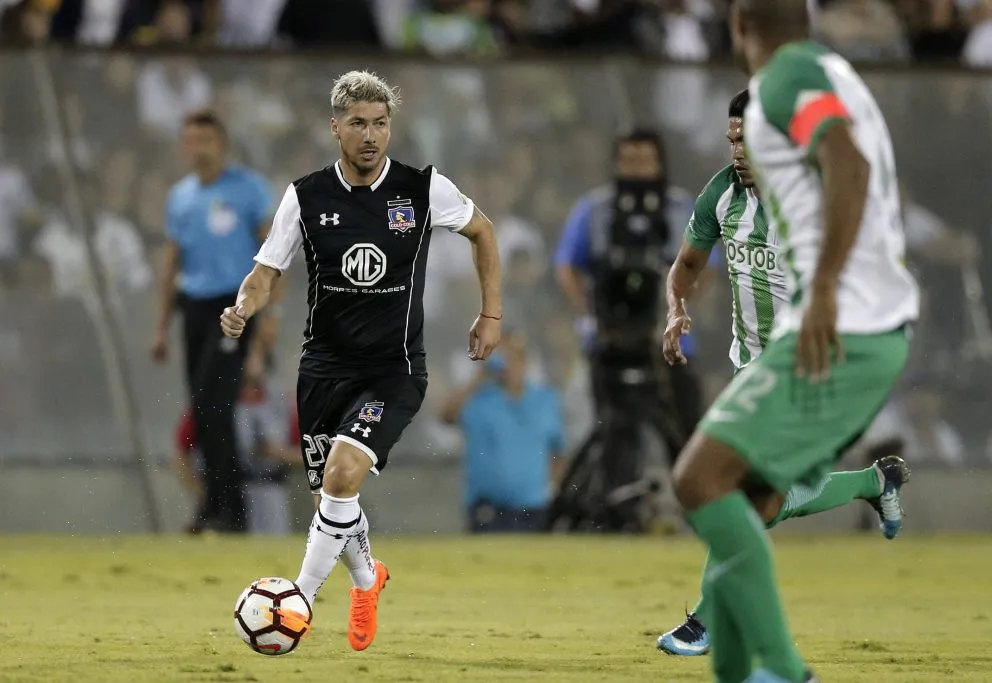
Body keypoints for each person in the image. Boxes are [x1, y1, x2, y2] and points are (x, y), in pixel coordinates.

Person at [668, 2, 920, 681]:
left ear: (738, 26)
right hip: (857, 327)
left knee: (701, 479)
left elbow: (847, 161)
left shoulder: (781, 83)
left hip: (844, 326)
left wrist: (829, 285)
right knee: (746, 500)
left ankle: (782, 669)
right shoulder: (829, 71)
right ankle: (729, 656)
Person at [220, 71, 502, 652]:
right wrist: (244, 307)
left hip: (393, 371)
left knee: (342, 475)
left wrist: (490, 314)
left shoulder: (423, 189)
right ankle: (368, 580)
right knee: (335, 491)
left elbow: (484, 232)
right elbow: (267, 271)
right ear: (335, 128)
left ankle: (297, 598)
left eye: (379, 123)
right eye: (358, 124)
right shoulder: (305, 195)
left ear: (390, 126)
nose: (371, 135)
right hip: (323, 370)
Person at [552, 129, 705, 531]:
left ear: (660, 163)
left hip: (671, 342)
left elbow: (707, 267)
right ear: (617, 163)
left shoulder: (682, 208)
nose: (636, 168)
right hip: (609, 342)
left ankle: (702, 513)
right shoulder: (595, 209)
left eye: (645, 159)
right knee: (613, 435)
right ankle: (617, 515)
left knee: (684, 431)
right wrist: (590, 313)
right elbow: (567, 264)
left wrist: (678, 311)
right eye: (629, 159)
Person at [152, 110, 276, 533]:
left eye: (204, 139)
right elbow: (172, 261)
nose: (197, 148)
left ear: (221, 143)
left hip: (235, 306)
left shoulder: (248, 189)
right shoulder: (181, 197)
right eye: (189, 140)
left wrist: (268, 315)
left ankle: (227, 508)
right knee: (202, 405)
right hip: (195, 307)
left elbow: (272, 254)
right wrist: (161, 326)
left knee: (215, 401)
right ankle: (218, 503)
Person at [440, 330, 565, 533]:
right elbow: (446, 416)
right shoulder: (480, 400)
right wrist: (479, 377)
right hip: (488, 508)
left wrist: (553, 491)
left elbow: (557, 451)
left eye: (514, 357)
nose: (509, 364)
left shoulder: (544, 400)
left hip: (534, 508)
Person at [174, 371, 301, 535]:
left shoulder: (279, 401)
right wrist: (202, 492)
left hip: (271, 489)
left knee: (273, 543)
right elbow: (181, 451)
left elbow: (306, 454)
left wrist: (279, 453)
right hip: (229, 491)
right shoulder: (210, 398)